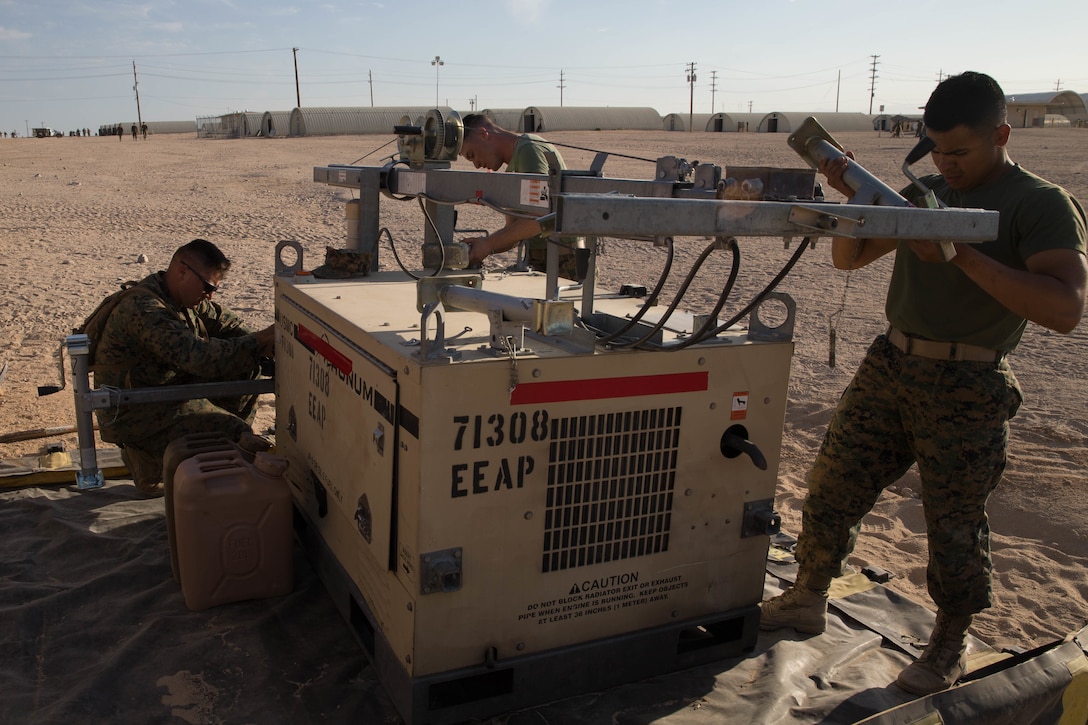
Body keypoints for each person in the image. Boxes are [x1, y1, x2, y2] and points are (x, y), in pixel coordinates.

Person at [760, 71, 1087, 695]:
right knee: (833, 484)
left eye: (959, 151)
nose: (945, 163)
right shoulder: (927, 193)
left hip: (968, 380)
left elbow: (1064, 309)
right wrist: (856, 200)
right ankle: (808, 596)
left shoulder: (1040, 203)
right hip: (892, 364)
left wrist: (957, 250)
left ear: (1002, 134)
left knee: (954, 521)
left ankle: (947, 642)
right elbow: (848, 258)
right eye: (936, 150)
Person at [92, 239, 276, 496]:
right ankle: (151, 461)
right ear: (182, 271)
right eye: (208, 286)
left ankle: (209, 449)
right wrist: (259, 342)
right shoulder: (145, 309)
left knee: (247, 370)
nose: (210, 295)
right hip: (137, 411)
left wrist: (264, 344)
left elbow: (228, 324)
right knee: (235, 433)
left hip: (165, 391)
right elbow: (199, 358)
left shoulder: (181, 298)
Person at [457, 114, 584, 279]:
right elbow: (513, 233)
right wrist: (481, 246)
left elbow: (540, 218)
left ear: (483, 134)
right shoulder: (513, 169)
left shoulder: (528, 149)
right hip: (544, 260)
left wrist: (488, 244)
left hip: (565, 263)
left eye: (472, 155)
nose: (477, 165)